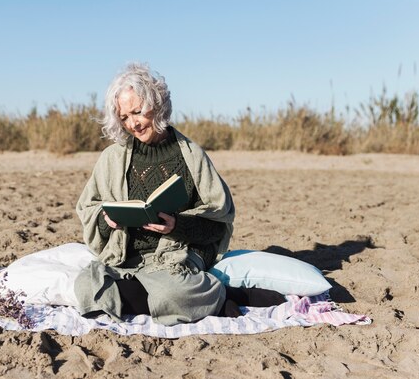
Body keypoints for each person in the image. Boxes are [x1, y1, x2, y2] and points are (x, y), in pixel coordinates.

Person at [74, 63, 276, 326]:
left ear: (157, 105)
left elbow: (218, 223)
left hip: (176, 257)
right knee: (86, 286)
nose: (132, 123)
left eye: (137, 112)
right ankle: (202, 299)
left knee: (173, 293)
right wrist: (107, 218)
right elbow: (89, 209)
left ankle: (224, 294)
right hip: (127, 258)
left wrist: (177, 225)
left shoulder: (191, 155)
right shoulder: (112, 158)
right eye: (124, 117)